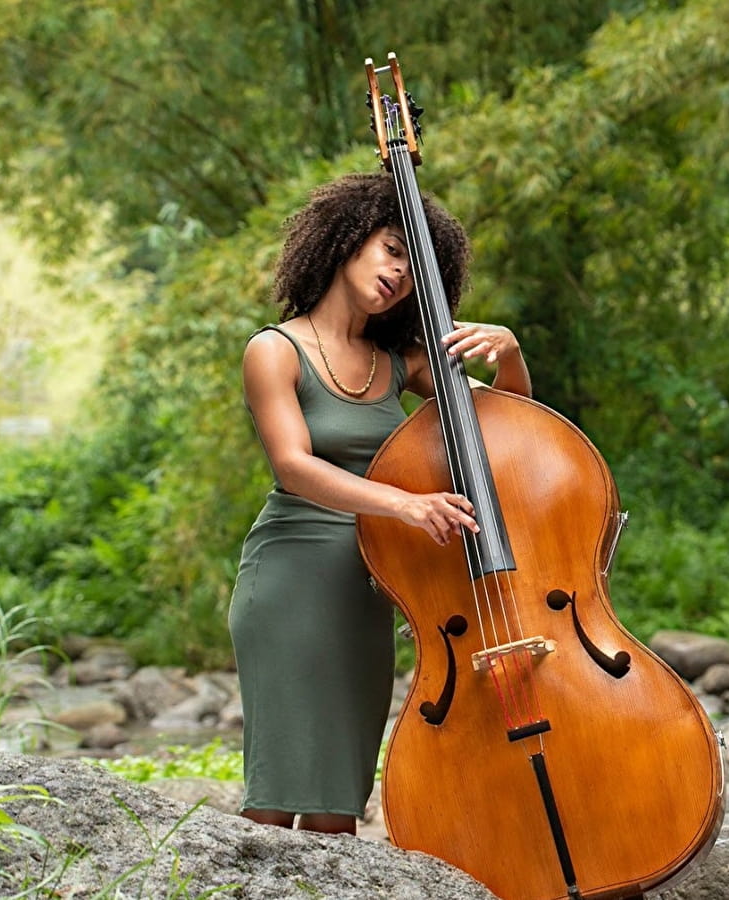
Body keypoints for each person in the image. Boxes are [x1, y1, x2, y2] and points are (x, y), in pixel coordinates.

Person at [228, 172, 531, 835]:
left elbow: (505, 430)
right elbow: (294, 466)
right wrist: (405, 503)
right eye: (391, 249)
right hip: (288, 578)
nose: (399, 272)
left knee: (340, 801)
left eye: (411, 265)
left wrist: (508, 354)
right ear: (347, 239)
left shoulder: (400, 362)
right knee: (275, 795)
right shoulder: (273, 350)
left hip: (369, 584)